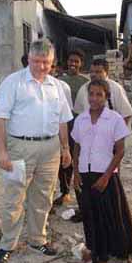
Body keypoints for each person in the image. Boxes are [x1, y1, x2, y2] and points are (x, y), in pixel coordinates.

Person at [0, 38, 73, 263]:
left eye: (46, 62)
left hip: (50, 150)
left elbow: (63, 120)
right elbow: (0, 120)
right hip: (20, 148)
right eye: (36, 61)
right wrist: (2, 152)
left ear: (53, 62)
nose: (41, 67)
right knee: (14, 197)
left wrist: (65, 148)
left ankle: (37, 239)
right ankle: (7, 244)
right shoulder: (13, 83)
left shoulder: (57, 86)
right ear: (28, 58)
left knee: (43, 197)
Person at [71, 79, 132, 263]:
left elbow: (120, 151)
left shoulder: (115, 119)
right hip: (85, 175)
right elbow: (77, 146)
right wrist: (76, 174)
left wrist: (105, 176)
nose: (94, 98)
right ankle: (95, 250)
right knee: (89, 215)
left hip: (106, 175)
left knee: (107, 215)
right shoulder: (81, 119)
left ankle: (104, 257)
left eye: (99, 94)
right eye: (91, 94)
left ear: (106, 96)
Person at [53, 49, 89, 206]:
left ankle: (82, 191)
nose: (73, 64)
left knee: (81, 158)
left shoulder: (85, 82)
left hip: (81, 123)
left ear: (81, 63)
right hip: (63, 124)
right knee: (64, 158)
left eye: (76, 61)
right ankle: (65, 191)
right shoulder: (59, 81)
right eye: (70, 60)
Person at [74, 58, 132, 124]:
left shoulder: (116, 88)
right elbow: (78, 113)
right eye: (91, 72)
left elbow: (126, 114)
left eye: (98, 72)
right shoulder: (83, 89)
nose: (93, 74)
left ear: (106, 72)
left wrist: (118, 132)